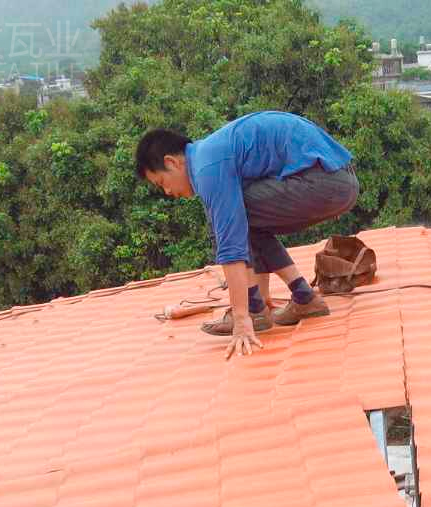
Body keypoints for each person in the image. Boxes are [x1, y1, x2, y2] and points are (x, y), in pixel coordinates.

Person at [135, 111, 360, 359]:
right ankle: (302, 297)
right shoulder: (210, 154)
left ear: (172, 162)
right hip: (336, 180)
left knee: (225, 217)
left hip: (325, 181)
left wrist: (241, 320)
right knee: (237, 211)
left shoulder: (207, 166)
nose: (167, 192)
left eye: (161, 183)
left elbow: (231, 246)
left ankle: (252, 310)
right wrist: (262, 295)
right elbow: (252, 228)